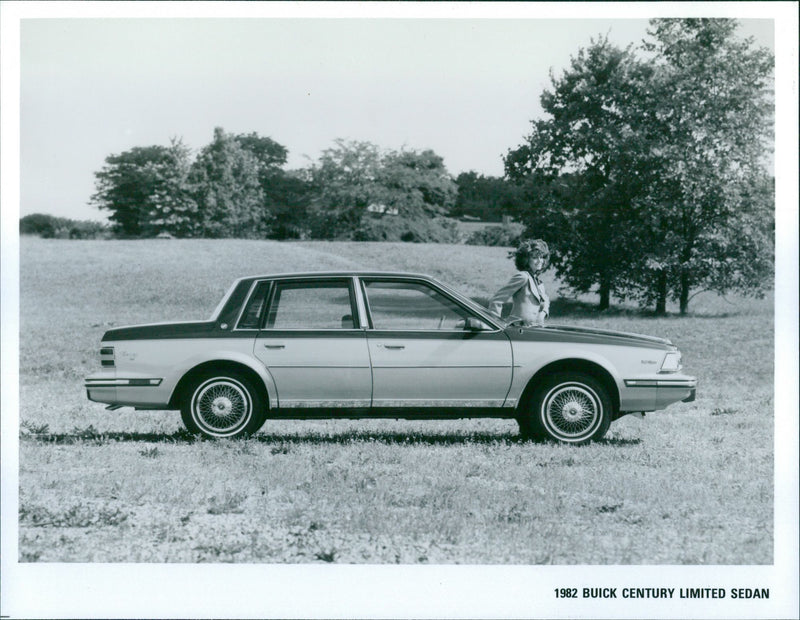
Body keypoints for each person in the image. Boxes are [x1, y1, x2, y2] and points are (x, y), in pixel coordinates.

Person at [488, 239, 550, 327]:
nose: (539, 261)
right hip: (517, 329)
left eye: (542, 257)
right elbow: (497, 300)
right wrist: (494, 324)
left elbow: (546, 300)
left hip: (535, 329)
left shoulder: (539, 282)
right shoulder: (523, 277)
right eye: (535, 258)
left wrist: (543, 313)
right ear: (526, 260)